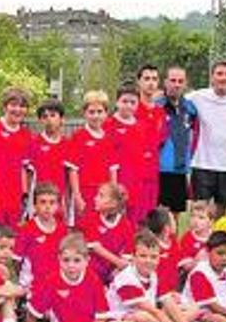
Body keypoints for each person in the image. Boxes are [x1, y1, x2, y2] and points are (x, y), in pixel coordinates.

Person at [26, 232, 206, 322]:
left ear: (87, 261)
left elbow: (102, 315)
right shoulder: (51, 280)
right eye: (66, 260)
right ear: (58, 259)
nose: (71, 265)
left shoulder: (93, 279)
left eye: (77, 260)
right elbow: (32, 311)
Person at [106, 230, 205, 322]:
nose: (148, 261)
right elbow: (154, 312)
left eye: (153, 257)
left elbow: (169, 303)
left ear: (159, 257)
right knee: (142, 317)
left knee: (193, 308)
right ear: (133, 257)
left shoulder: (154, 274)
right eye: (143, 256)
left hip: (152, 315)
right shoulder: (126, 279)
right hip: (121, 319)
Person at [187, 61, 226, 214]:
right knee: (200, 211)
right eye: (219, 74)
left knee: (221, 213)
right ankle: (199, 238)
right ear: (212, 77)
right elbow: (173, 100)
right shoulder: (197, 97)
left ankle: (218, 239)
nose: (223, 78)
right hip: (202, 164)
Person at [0, 87, 32, 225]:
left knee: (12, 236)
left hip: (14, 197)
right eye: (13, 105)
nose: (18, 109)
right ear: (5, 106)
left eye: (22, 106)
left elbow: (24, 169)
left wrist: (24, 196)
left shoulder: (26, 135)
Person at [156, 66, 199, 222]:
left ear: (185, 84)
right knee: (157, 216)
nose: (176, 84)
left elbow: (195, 137)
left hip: (179, 170)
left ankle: (173, 245)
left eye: (180, 81)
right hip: (158, 169)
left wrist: (188, 160)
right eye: (173, 80)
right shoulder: (156, 107)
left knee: (175, 217)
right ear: (165, 82)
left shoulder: (190, 109)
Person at [69, 91, 119, 220]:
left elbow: (112, 170)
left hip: (104, 194)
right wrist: (77, 196)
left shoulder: (110, 138)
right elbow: (73, 170)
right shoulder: (78, 137)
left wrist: (113, 195)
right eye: (91, 112)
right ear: (84, 113)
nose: (96, 116)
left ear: (106, 113)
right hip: (85, 192)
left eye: (99, 111)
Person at [104, 82, 149, 223]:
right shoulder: (108, 124)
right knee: (115, 220)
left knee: (135, 222)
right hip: (118, 182)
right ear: (117, 102)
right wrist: (114, 185)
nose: (128, 105)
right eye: (124, 101)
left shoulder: (142, 126)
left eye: (132, 102)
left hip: (137, 185)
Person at [77, 182, 134, 284]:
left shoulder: (126, 226)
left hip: (114, 275)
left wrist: (116, 270)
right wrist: (118, 262)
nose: (95, 198)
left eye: (101, 196)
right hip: (90, 275)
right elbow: (94, 248)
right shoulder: (89, 219)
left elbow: (126, 262)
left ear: (113, 203)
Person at [15, 183, 66, 297]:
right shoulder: (26, 229)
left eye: (52, 202)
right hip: (32, 285)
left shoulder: (62, 229)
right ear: (34, 205)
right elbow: (16, 261)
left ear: (58, 205)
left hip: (57, 283)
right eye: (43, 202)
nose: (47, 207)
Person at [28, 99, 72, 221]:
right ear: (40, 120)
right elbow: (29, 176)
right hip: (40, 203)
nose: (49, 119)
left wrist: (67, 203)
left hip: (59, 201)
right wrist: (29, 201)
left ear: (62, 119)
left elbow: (70, 176)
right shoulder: (34, 143)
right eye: (44, 116)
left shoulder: (68, 144)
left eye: (53, 115)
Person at [133, 65, 165, 223]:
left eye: (154, 79)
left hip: (152, 172)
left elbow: (160, 141)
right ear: (138, 82)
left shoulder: (160, 112)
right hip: (132, 173)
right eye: (146, 79)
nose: (151, 83)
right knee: (132, 216)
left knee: (149, 216)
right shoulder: (132, 109)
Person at [177, 201, 214, 275]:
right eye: (193, 216)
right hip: (192, 275)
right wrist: (196, 260)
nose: (195, 221)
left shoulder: (215, 238)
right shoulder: (187, 238)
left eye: (201, 218)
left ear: (210, 222)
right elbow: (185, 267)